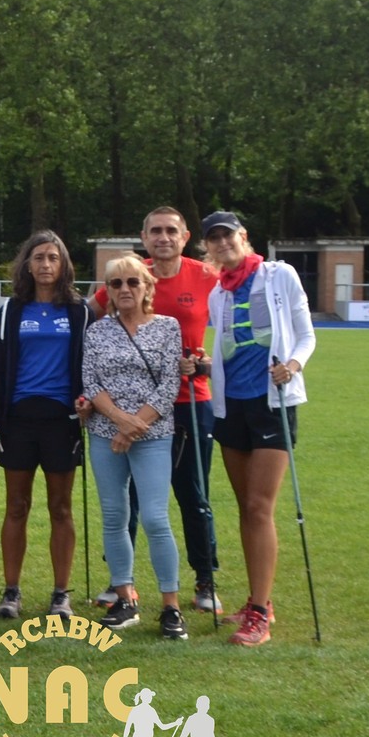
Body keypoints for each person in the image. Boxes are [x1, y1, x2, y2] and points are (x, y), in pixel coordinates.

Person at [93, 207, 223, 615]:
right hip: (125, 411)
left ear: (185, 237)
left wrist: (208, 364)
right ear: (144, 236)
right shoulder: (129, 274)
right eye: (155, 231)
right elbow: (91, 319)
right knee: (125, 500)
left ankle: (204, 577)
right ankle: (121, 581)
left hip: (190, 401)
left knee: (192, 494)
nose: (163, 237)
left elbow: (231, 332)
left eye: (171, 231)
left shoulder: (208, 277)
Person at [202, 210, 316, 648]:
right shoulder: (218, 292)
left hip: (272, 403)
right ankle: (257, 600)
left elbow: (306, 335)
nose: (222, 243)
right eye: (214, 239)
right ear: (208, 247)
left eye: (228, 236)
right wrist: (203, 366)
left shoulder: (278, 275)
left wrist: (293, 365)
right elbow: (228, 351)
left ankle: (260, 614)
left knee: (258, 505)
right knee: (244, 507)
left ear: (244, 237)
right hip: (231, 406)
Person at [0, 232, 89, 621]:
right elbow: (0, 369)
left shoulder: (78, 311)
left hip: (62, 420)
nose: (46, 264)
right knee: (17, 506)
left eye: (53, 258)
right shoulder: (12, 310)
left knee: (61, 507)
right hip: (19, 419)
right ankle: (11, 592)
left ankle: (61, 594)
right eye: (39, 257)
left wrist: (86, 402)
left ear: (63, 265)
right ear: (27, 264)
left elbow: (89, 363)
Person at [84, 254, 186, 636]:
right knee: (114, 516)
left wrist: (133, 426)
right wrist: (118, 420)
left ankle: (171, 606)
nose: (125, 289)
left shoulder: (167, 327)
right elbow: (90, 382)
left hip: (153, 434)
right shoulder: (97, 332)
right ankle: (124, 598)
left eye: (132, 282)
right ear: (108, 291)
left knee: (156, 519)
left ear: (147, 287)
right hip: (104, 433)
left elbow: (170, 385)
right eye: (116, 283)